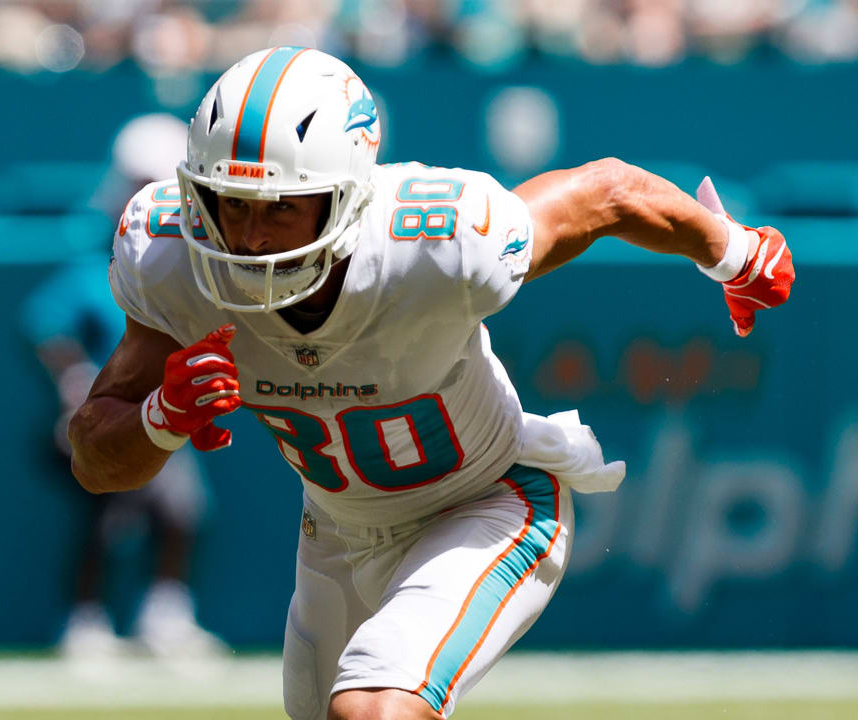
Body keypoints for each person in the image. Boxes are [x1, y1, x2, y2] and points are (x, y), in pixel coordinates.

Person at [68, 47, 794, 719]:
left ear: (346, 198)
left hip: (488, 500)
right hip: (336, 533)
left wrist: (735, 253)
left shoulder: (440, 240)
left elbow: (605, 194)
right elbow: (95, 459)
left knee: (375, 710)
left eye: (282, 207)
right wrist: (161, 416)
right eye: (234, 205)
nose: (252, 239)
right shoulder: (171, 261)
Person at [21, 113, 228, 663]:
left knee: (183, 511)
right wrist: (73, 376)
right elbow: (43, 322)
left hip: (165, 410)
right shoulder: (98, 262)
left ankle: (165, 616)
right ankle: (85, 619)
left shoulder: (196, 269)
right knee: (107, 514)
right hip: (113, 411)